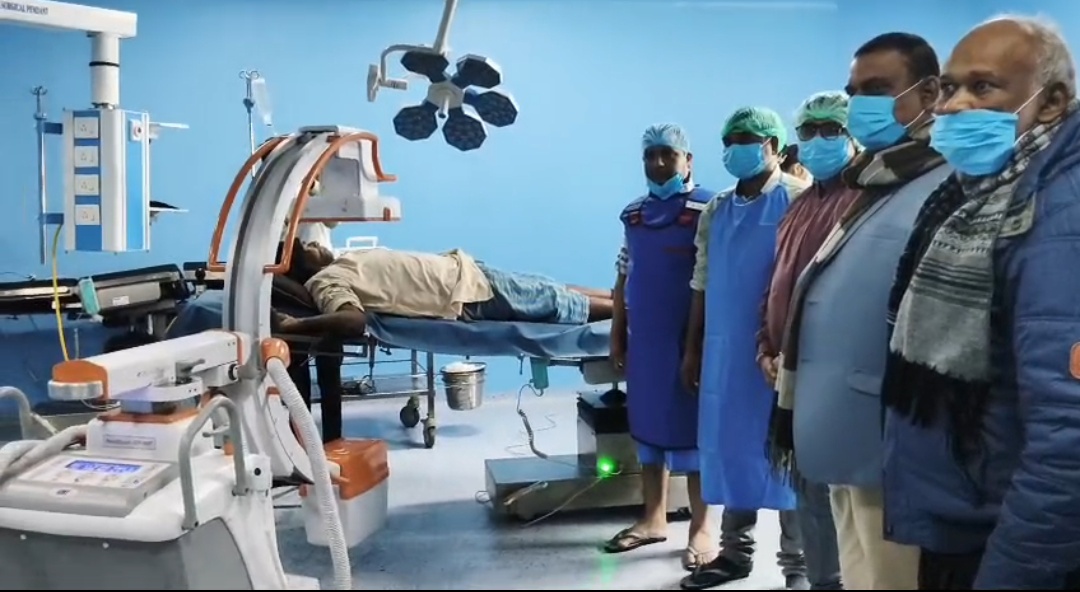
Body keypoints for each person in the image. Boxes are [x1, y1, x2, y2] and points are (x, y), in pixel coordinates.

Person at [881, 15, 1080, 589]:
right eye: (948, 88)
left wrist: (1009, 573)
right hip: (967, 516)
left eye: (983, 87)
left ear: (1051, 102)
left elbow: (1068, 435)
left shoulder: (1059, 215)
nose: (954, 106)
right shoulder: (973, 195)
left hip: (1011, 541)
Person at [766, 33, 951, 591]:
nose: (860, 105)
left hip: (896, 436)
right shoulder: (876, 180)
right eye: (854, 92)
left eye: (877, 89)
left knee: (893, 575)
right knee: (859, 570)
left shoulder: (946, 183)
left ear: (929, 94)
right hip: (845, 426)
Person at [679, 107, 811, 591]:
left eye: (748, 139)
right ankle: (735, 554)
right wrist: (693, 348)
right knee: (733, 447)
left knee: (785, 453)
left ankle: (798, 565)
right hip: (725, 352)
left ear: (773, 146)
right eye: (730, 140)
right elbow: (701, 281)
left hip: (779, 347)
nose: (737, 148)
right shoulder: (717, 209)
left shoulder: (797, 199)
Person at [757, 90, 867, 592]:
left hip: (840, 380)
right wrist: (765, 348)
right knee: (811, 495)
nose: (818, 140)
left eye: (831, 130)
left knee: (849, 505)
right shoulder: (798, 208)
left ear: (852, 135)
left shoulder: (865, 202)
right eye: (809, 131)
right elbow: (776, 285)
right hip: (792, 376)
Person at [603, 124, 716, 571]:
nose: (658, 163)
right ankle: (653, 518)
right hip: (645, 341)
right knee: (649, 427)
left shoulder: (709, 209)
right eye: (650, 155)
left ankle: (702, 527)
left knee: (694, 432)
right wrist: (617, 333)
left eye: (668, 154)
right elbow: (623, 276)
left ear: (688, 160)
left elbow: (710, 280)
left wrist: (698, 347)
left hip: (690, 338)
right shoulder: (633, 215)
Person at [272, 240, 614, 336]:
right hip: (466, 295)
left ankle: (624, 297)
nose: (315, 243)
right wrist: (296, 325)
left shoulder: (341, 261)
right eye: (307, 248)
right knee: (554, 300)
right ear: (301, 267)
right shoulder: (325, 281)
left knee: (550, 286)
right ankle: (633, 312)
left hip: (468, 272)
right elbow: (353, 321)